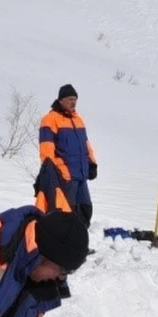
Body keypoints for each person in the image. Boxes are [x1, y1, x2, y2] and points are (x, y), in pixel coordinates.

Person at [37, 84, 98, 228]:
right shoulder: (50, 119)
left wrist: (92, 163)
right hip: (65, 176)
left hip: (81, 174)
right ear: (61, 100)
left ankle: (80, 246)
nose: (74, 102)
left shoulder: (78, 119)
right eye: (70, 99)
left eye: (75, 99)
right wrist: (53, 173)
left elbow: (86, 144)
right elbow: (46, 151)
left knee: (85, 209)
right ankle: (67, 248)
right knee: (66, 213)